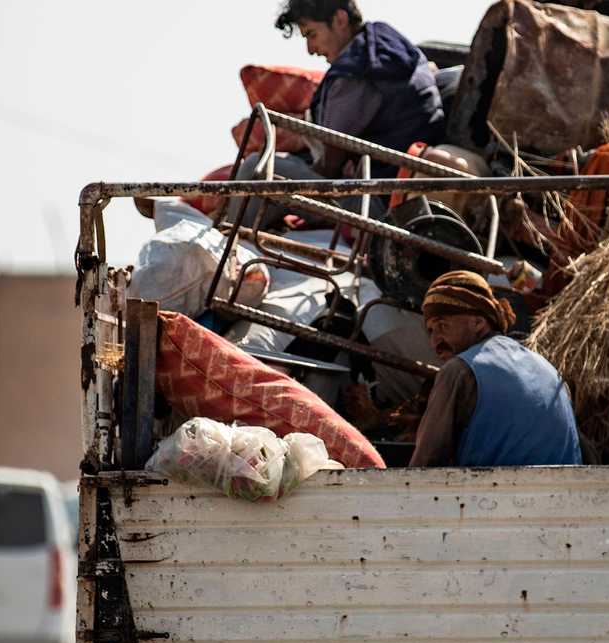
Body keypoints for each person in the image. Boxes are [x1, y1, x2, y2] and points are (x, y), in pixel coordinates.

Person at [230, 1, 444, 224]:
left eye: (311, 34)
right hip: (398, 194)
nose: (310, 50)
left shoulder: (357, 70)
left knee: (257, 166)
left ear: (340, 20)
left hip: (376, 205)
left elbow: (329, 167)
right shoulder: (387, 44)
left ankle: (230, 249)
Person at [410, 271, 582, 467]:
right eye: (430, 330)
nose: (434, 342)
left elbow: (426, 463)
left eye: (442, 326)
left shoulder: (459, 370)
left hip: (496, 496)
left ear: (478, 323)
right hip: (565, 494)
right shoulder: (548, 368)